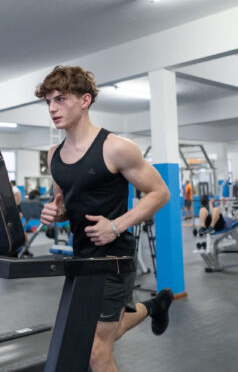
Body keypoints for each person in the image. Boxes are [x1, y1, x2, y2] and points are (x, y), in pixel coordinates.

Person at [36, 65, 174, 372]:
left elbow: (160, 193)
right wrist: (54, 212)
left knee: (96, 352)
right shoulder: (53, 155)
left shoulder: (115, 148)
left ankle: (155, 305)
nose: (52, 108)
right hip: (81, 256)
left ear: (85, 100)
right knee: (107, 332)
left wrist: (115, 226)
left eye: (60, 99)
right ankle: (156, 305)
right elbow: (63, 204)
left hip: (114, 257)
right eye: (48, 102)